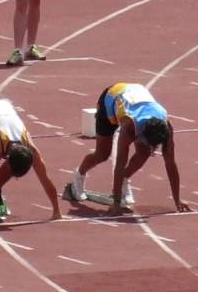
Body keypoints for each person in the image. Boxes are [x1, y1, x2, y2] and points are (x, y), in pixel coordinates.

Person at [69, 82, 190, 215]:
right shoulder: (129, 126)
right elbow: (120, 162)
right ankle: (79, 176)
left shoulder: (166, 126)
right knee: (103, 154)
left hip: (136, 96)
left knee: (144, 152)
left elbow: (171, 164)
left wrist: (177, 200)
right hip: (111, 98)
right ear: (141, 133)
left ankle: (124, 180)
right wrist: (116, 203)